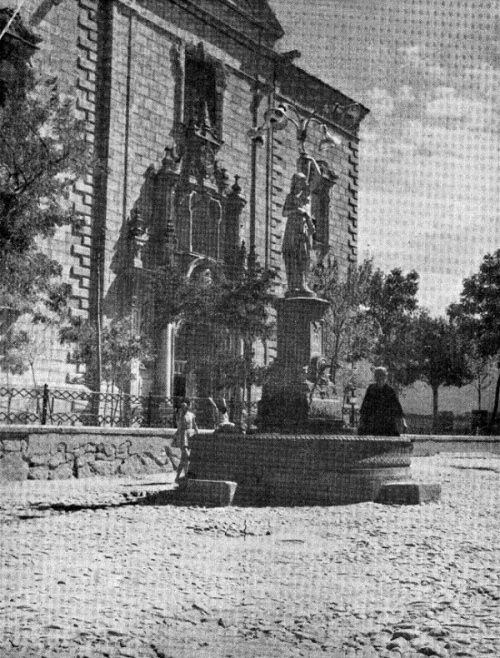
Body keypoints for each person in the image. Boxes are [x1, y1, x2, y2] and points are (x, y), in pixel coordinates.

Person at [282, 172, 316, 295]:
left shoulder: (305, 199)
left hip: (303, 231)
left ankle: (303, 284)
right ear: (296, 182)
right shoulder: (290, 197)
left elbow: (316, 178)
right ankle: (294, 285)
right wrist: (297, 210)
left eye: (303, 181)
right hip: (293, 230)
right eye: (300, 181)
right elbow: (284, 213)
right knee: (293, 255)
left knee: (304, 256)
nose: (303, 184)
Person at [358, 367, 408, 436]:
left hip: (387, 422)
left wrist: (402, 420)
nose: (381, 380)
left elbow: (397, 407)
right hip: (374, 422)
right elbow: (365, 406)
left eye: (383, 377)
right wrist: (361, 419)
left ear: (385, 378)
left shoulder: (390, 390)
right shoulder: (371, 389)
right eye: (378, 378)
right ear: (376, 378)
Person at [173, 398, 199, 484]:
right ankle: (187, 475)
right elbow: (179, 423)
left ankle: (178, 477)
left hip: (190, 435)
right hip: (183, 436)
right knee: (187, 456)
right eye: (189, 404)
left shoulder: (191, 415)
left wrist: (197, 434)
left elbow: (194, 425)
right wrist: (182, 408)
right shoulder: (181, 414)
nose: (190, 406)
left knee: (184, 459)